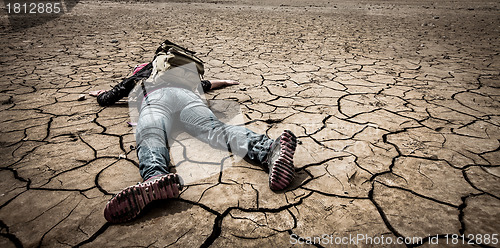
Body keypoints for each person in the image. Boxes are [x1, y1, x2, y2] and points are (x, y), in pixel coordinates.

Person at [90, 40, 297, 223]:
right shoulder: (182, 75)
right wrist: (225, 82)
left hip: (157, 98)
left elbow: (108, 98)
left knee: (151, 132)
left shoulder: (142, 74)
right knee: (216, 130)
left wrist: (100, 94)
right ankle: (269, 149)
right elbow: (207, 84)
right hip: (189, 98)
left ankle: (154, 177)